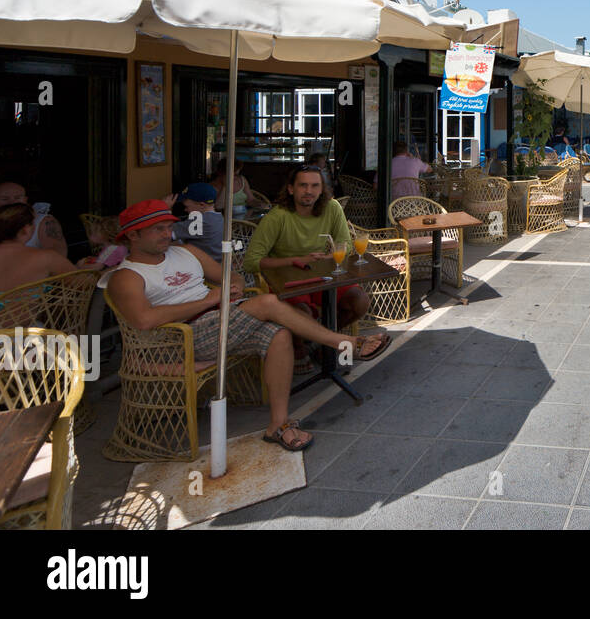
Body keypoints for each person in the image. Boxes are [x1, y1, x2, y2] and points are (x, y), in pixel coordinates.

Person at [104, 199, 390, 452]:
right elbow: (144, 320)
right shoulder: (127, 276)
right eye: (158, 229)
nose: (167, 234)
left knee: (279, 335)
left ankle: (278, 426)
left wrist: (235, 288)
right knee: (267, 303)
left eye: (168, 227)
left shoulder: (186, 252)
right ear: (132, 234)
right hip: (185, 336)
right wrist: (211, 300)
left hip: (224, 319)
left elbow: (231, 276)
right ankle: (347, 343)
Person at [242, 164, 370, 332]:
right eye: (303, 185)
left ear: (322, 189)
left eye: (315, 185)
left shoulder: (332, 208)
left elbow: (345, 245)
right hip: (286, 280)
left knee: (359, 301)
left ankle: (324, 343)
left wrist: (330, 257)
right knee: (303, 313)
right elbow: (251, 262)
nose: (309, 191)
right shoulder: (276, 217)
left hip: (322, 276)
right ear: (290, 189)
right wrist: (296, 261)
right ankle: (304, 350)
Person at [0, 203, 96, 292]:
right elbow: (83, 285)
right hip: (32, 313)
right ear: (26, 229)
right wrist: (87, 270)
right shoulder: (46, 257)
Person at [0, 181, 68, 257]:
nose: (12, 202)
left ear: (25, 200)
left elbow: (58, 255)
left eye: (17, 197)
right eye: (4, 199)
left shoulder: (43, 221)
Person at [167, 181, 224, 259]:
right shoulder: (219, 217)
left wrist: (166, 210)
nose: (185, 210)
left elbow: (167, 233)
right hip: (217, 262)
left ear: (201, 205)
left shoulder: (199, 221)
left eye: (187, 206)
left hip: (204, 267)